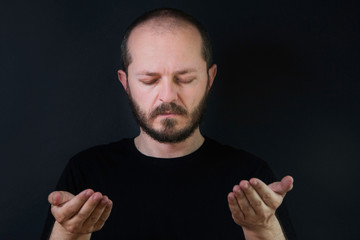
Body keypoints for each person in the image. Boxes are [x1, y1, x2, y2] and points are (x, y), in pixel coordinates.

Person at [41, 8, 296, 240]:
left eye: (184, 79)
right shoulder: (85, 173)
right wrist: (68, 234)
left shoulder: (251, 179)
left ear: (209, 79)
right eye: (150, 80)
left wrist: (262, 230)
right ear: (125, 83)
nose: (168, 96)